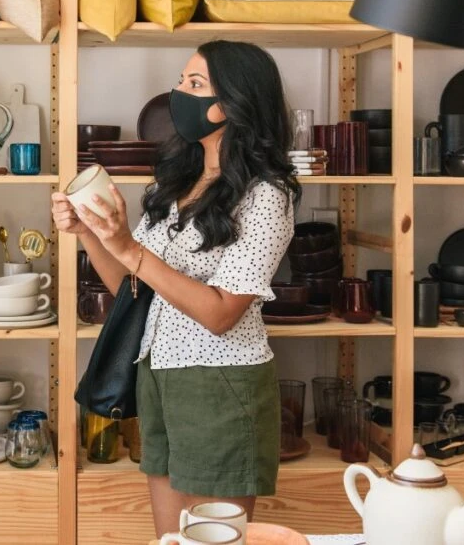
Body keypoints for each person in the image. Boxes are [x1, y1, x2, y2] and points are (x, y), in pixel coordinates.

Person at [52, 41, 299, 536]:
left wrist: (129, 247)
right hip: (158, 373)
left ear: (233, 102)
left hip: (220, 383)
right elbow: (132, 286)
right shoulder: (179, 183)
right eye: (180, 81)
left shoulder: (266, 196)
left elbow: (221, 313)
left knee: (215, 538)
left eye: (194, 85)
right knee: (171, 539)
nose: (177, 93)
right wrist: (93, 237)